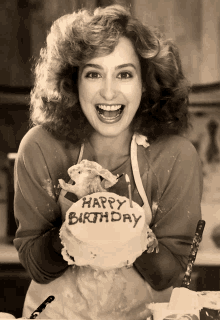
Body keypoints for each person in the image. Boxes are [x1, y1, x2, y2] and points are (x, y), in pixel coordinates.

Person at [13, 4, 203, 320]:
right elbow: (36, 265)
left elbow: (168, 275)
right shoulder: (40, 147)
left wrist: (129, 233)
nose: (109, 91)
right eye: (93, 73)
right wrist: (70, 230)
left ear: (145, 83)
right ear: (73, 82)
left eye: (125, 74)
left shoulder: (175, 156)